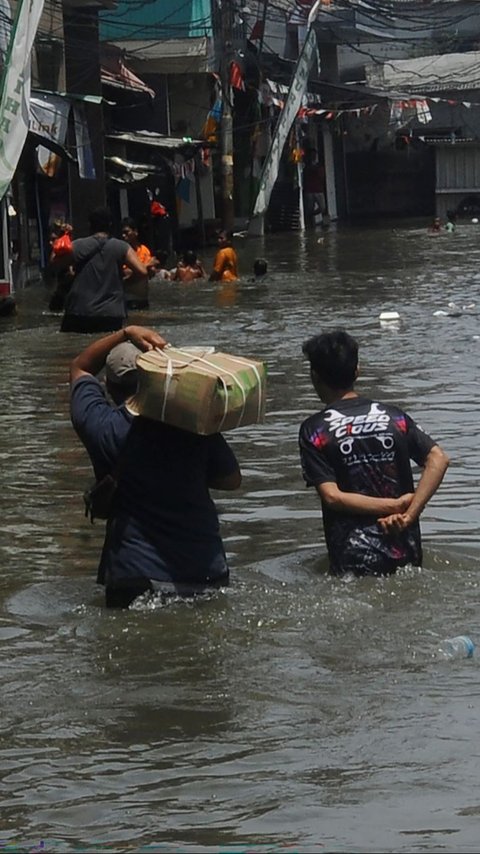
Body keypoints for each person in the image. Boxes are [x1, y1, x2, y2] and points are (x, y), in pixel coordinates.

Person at [69, 326, 242, 607]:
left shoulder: (101, 426)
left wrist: (125, 333)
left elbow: (80, 367)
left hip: (135, 575)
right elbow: (232, 479)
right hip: (205, 570)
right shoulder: (192, 422)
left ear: (110, 387)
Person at [299, 329, 449, 577]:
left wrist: (392, 506)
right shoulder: (394, 417)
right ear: (357, 371)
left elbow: (333, 497)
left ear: (314, 376)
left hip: (353, 558)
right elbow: (439, 459)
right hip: (406, 549)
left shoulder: (315, 430)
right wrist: (407, 515)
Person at [58, 207, 148, 333]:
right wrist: (125, 283)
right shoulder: (121, 247)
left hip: (79, 311)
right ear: (110, 225)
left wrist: (63, 237)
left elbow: (55, 264)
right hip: (111, 313)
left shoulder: (78, 246)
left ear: (90, 225)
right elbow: (143, 272)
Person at [121, 217, 158, 310]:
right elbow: (125, 274)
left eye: (126, 232)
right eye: (122, 233)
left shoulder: (144, 250)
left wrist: (151, 269)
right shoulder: (121, 252)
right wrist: (146, 266)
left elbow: (151, 273)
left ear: (135, 232)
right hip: (129, 300)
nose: (123, 236)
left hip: (143, 299)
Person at [303, 150, 326, 227]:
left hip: (318, 190)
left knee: (323, 208)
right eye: (312, 155)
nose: (314, 156)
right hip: (310, 190)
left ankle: (325, 223)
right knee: (309, 210)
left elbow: (321, 175)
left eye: (315, 155)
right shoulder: (306, 166)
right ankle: (310, 225)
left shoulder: (319, 165)